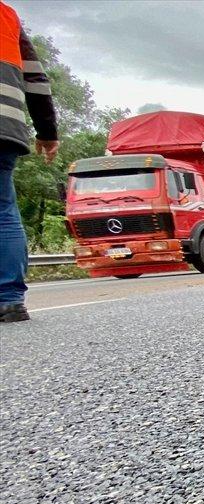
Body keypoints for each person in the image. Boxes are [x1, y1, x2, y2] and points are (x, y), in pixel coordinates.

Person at [0, 2, 58, 323]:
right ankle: (9, 300)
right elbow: (36, 79)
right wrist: (47, 131)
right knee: (3, 211)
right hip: (5, 125)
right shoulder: (6, 15)